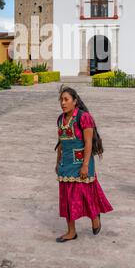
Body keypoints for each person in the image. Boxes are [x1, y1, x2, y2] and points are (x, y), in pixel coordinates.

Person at [55, 86, 113, 242]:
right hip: (65, 163)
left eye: (66, 99)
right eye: (61, 100)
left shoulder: (84, 117)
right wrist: (57, 162)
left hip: (82, 162)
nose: (63, 103)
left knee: (84, 194)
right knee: (67, 197)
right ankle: (71, 231)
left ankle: (95, 218)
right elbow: (61, 142)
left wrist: (85, 165)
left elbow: (88, 142)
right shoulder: (60, 119)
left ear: (75, 101)